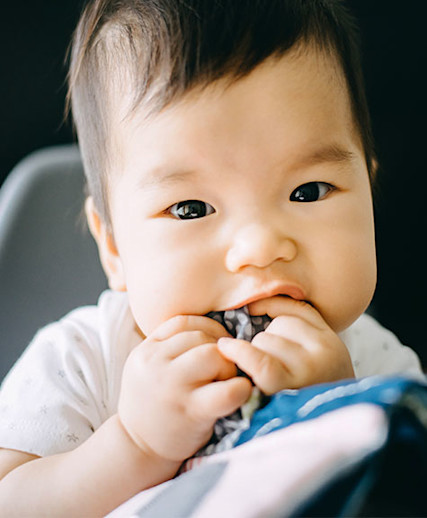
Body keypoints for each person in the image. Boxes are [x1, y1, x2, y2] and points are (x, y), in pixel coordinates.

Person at [0, 0, 422, 514]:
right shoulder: (83, 363)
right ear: (114, 247)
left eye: (309, 191)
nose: (261, 247)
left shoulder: (373, 363)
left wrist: (337, 411)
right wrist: (135, 446)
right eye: (191, 208)